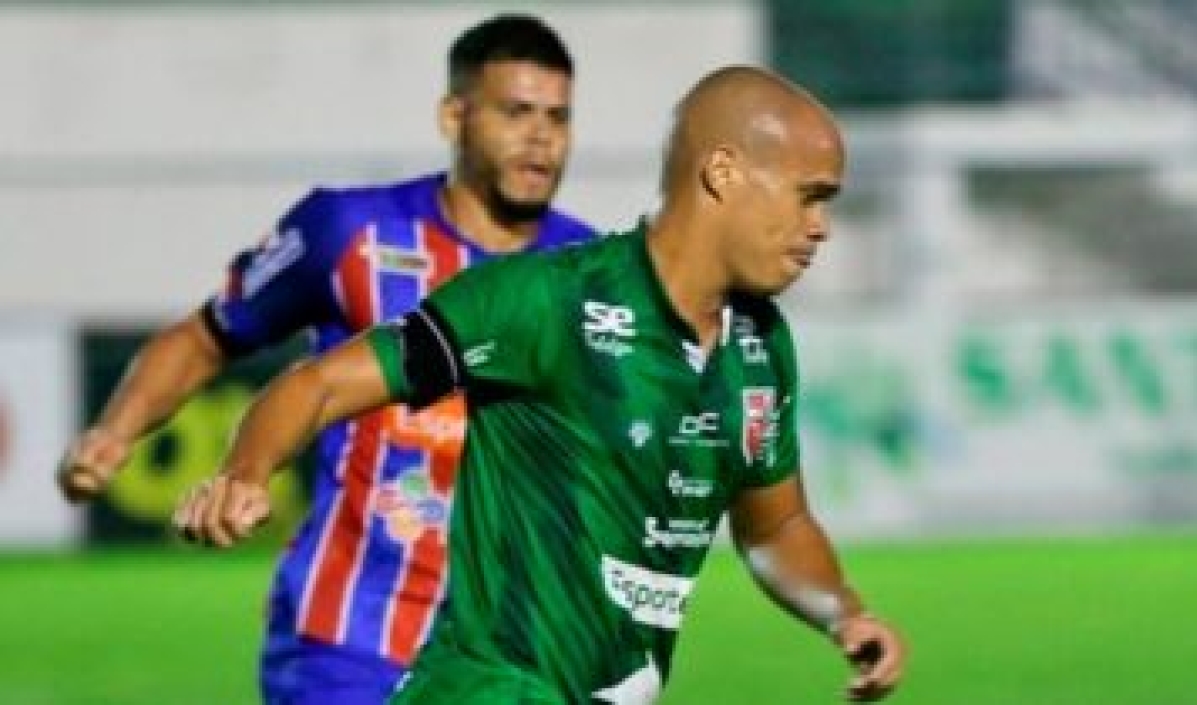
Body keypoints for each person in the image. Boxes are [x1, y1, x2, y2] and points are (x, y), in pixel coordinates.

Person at [174, 65, 907, 703]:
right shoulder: (544, 301)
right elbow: (324, 384)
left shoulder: (760, 345)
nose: (821, 227)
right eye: (809, 196)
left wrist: (844, 611)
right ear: (722, 172)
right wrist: (247, 472)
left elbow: (775, 524)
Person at [57, 14, 595, 705]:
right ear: (454, 115)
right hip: (347, 640)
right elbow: (205, 337)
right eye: (517, 112)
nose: (542, 136)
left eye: (559, 116)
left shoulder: (590, 274)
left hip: (509, 652)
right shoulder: (351, 232)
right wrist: (115, 431)